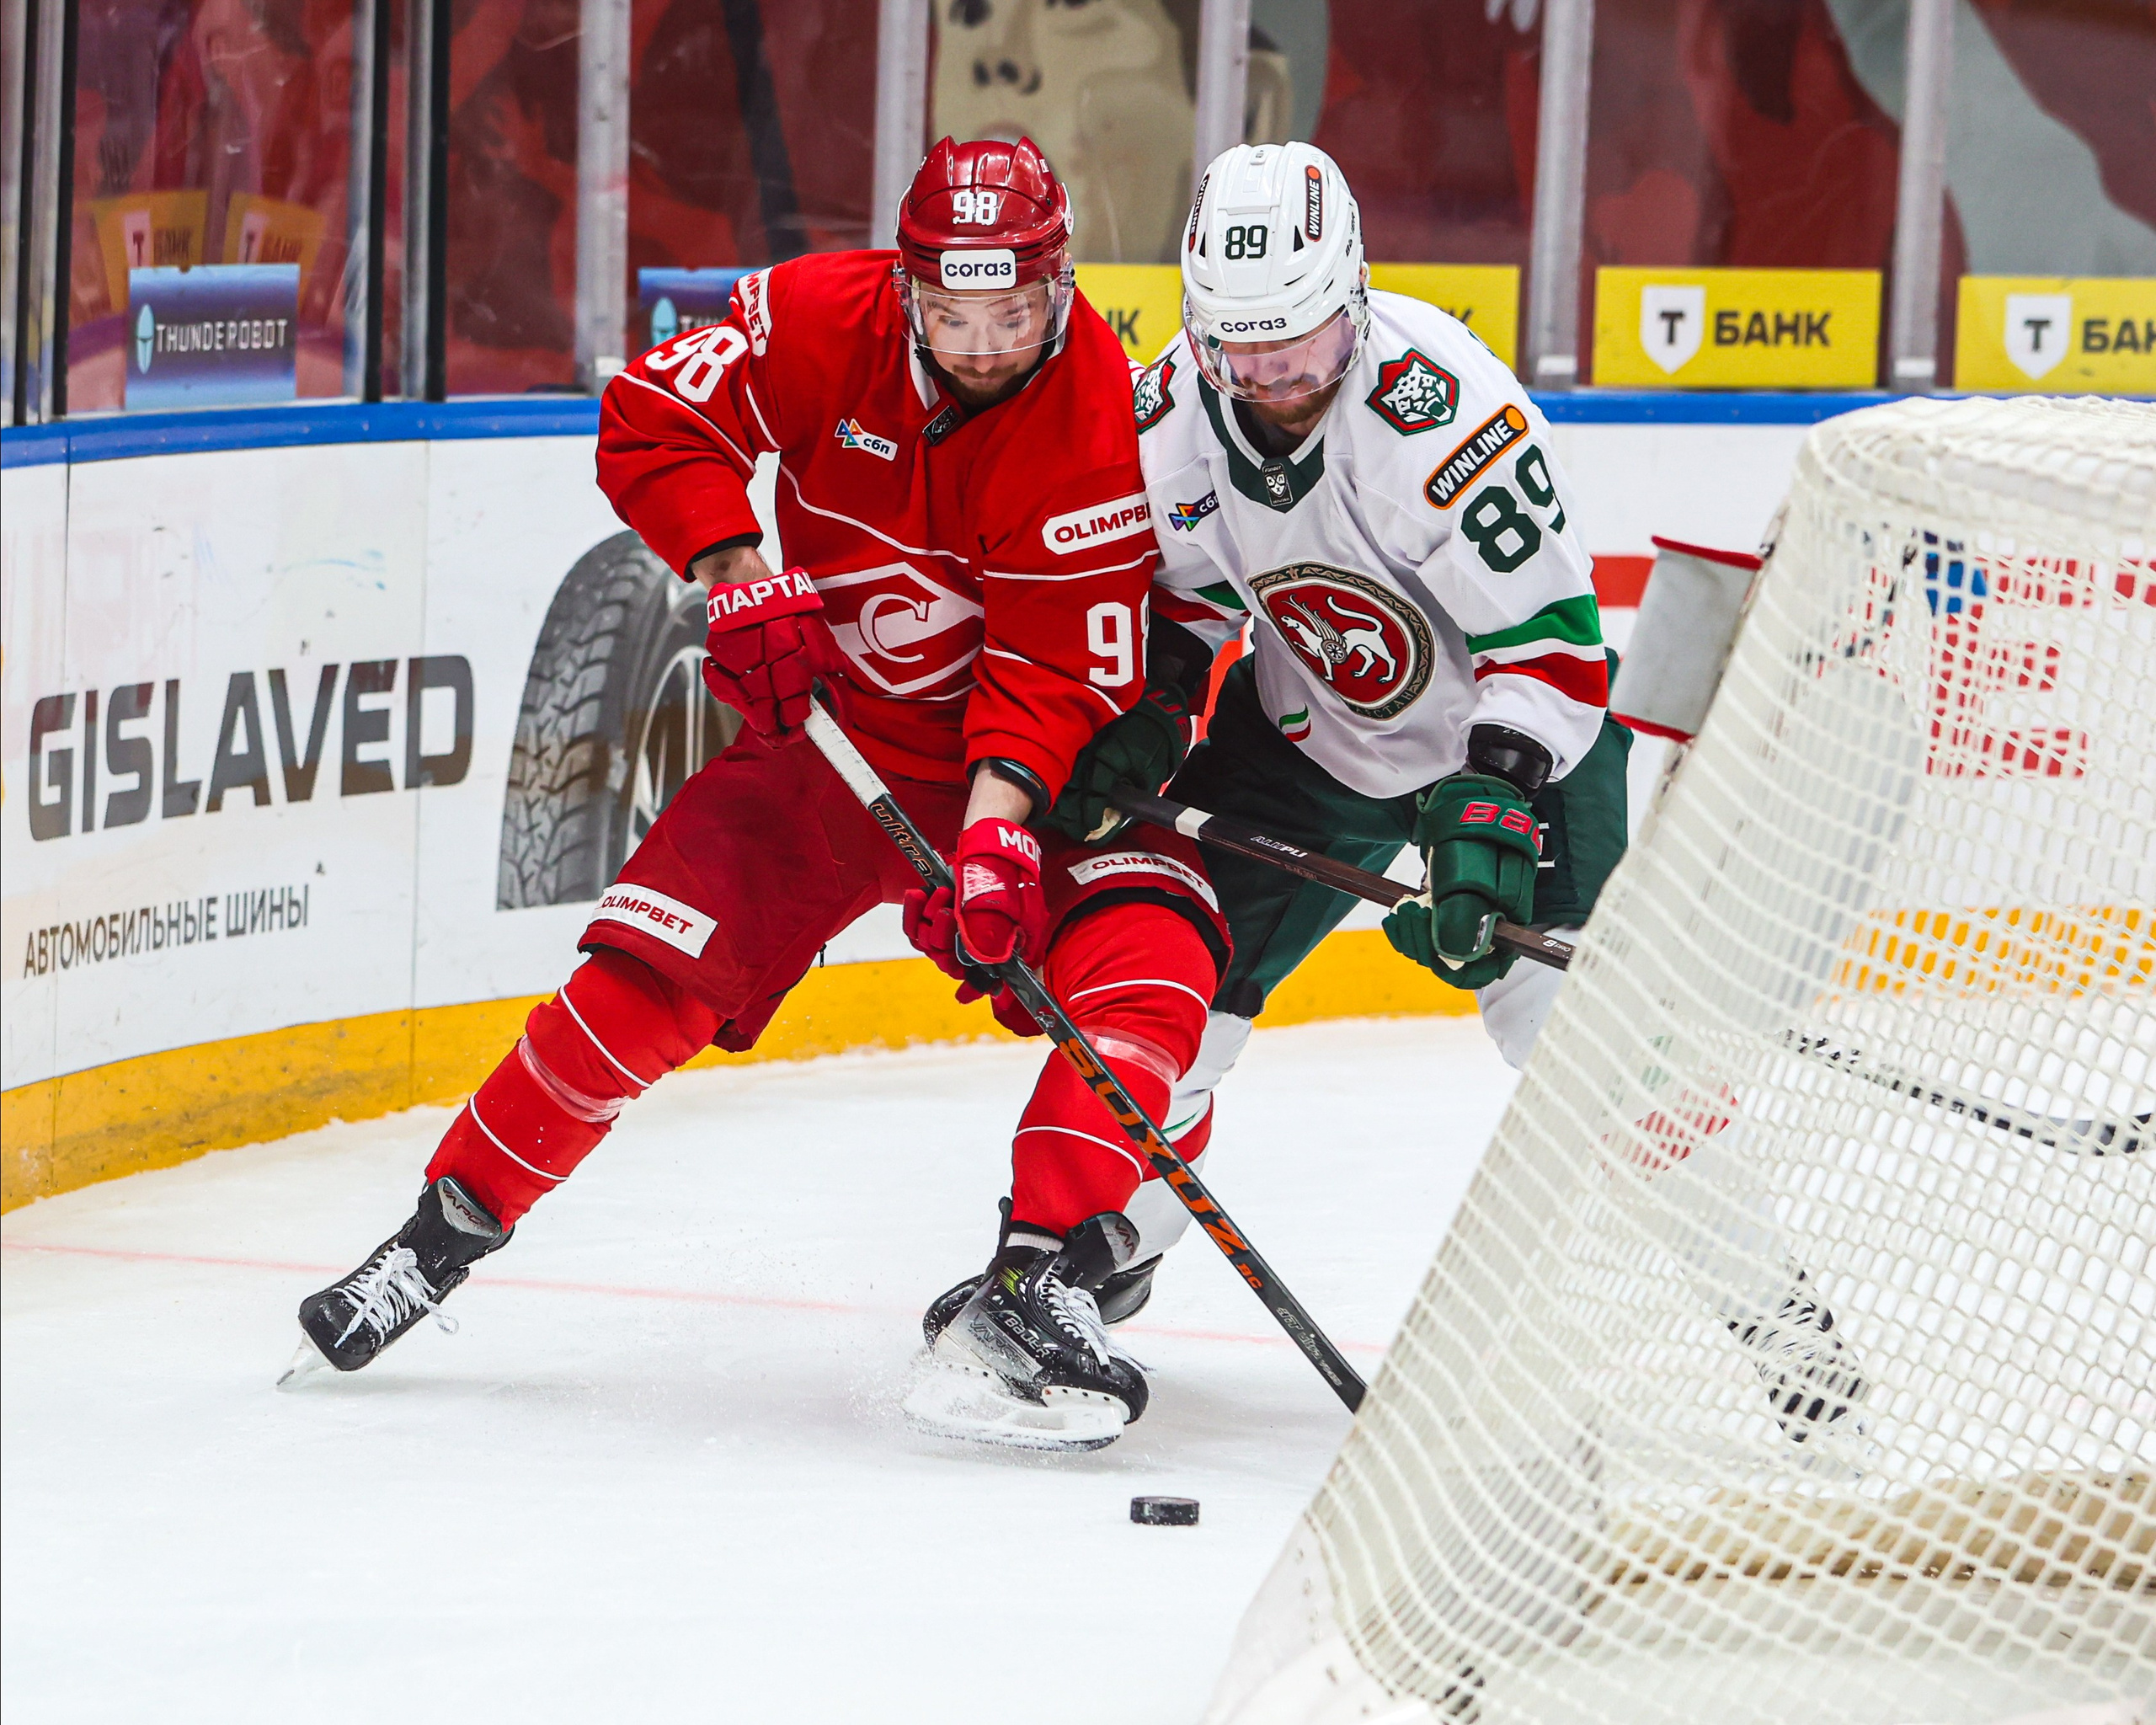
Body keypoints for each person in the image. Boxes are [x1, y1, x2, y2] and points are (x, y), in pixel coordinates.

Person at [286, 138, 1230, 1454]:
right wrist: (738, 572)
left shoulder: (1101, 428)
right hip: (821, 743)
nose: (981, 344)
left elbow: (1049, 667)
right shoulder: (810, 313)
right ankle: (435, 1238)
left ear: (1062, 284)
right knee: (641, 974)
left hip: (1000, 771)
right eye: (951, 313)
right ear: (906, 290)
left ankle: (1040, 1277)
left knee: (1157, 936)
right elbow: (657, 416)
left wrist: (999, 839)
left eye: (1012, 312)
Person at [921, 144, 1866, 1446]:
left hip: (1524, 739)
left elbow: (1552, 648)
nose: (1272, 385)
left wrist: (1491, 806)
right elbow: (1182, 602)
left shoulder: (1447, 418)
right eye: (1241, 356)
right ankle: (1080, 1267)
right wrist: (1145, 713)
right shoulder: (1169, 416)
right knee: (1171, 988)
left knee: (1594, 1052)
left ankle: (1782, 1329)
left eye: (1300, 353)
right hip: (1311, 735)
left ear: (1355, 301)